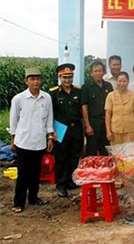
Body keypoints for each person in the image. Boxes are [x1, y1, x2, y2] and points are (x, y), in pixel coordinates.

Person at [9, 67, 55, 213]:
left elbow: (49, 120)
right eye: (32, 79)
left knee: (36, 173)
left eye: (38, 79)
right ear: (26, 81)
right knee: (23, 173)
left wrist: (49, 137)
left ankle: (34, 198)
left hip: (39, 141)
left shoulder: (46, 98)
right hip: (23, 141)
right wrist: (13, 140)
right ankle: (19, 202)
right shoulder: (19, 99)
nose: (36, 82)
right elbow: (13, 121)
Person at [50, 63, 83, 198]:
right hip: (61, 129)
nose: (67, 80)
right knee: (61, 158)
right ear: (60, 77)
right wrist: (51, 132)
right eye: (64, 77)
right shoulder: (53, 93)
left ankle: (70, 181)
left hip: (75, 128)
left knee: (74, 156)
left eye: (69, 77)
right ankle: (61, 185)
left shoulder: (78, 91)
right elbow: (50, 114)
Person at [81, 61, 113, 156]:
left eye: (100, 71)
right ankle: (91, 171)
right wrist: (87, 125)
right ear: (91, 73)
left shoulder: (108, 86)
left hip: (106, 123)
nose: (98, 73)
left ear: (104, 72)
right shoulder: (86, 87)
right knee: (91, 152)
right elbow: (84, 106)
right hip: (93, 123)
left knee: (105, 151)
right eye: (96, 71)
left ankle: (105, 170)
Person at [105, 71, 134, 145]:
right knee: (116, 154)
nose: (122, 83)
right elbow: (108, 114)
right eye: (119, 81)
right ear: (116, 82)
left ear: (128, 82)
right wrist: (108, 131)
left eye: (124, 81)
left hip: (130, 130)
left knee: (129, 154)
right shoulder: (110, 96)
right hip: (115, 130)